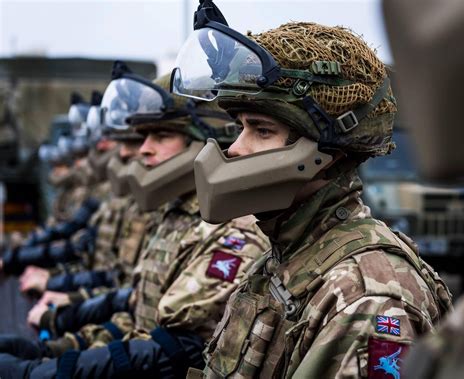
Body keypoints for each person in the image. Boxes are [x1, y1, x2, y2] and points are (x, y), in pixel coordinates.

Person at [170, 2, 453, 377]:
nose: (235, 147)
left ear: (326, 153)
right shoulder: (291, 254)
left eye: (261, 129)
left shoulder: (368, 298)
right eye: (240, 126)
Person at [0, 73, 268, 378]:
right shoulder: (172, 215)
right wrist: (58, 350)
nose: (141, 150)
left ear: (210, 140)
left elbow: (172, 347)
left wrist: (45, 369)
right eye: (142, 137)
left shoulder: (234, 231)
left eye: (161, 136)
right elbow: (138, 317)